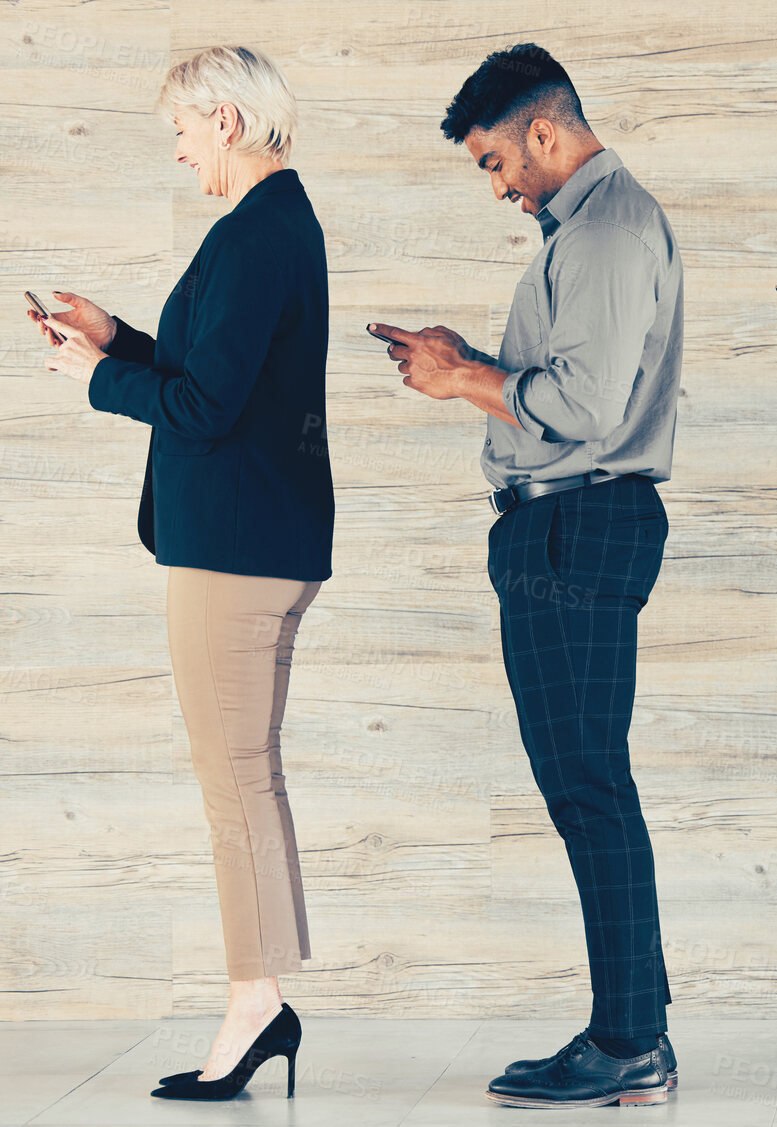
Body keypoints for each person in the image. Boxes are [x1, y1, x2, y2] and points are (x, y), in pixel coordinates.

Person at [373, 42, 681, 1109]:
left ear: (543, 131)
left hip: (576, 526)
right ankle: (635, 1024)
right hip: (569, 528)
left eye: (497, 162)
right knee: (590, 782)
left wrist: (458, 376)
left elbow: (586, 412)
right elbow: (565, 381)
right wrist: (470, 361)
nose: (500, 186)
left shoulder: (602, 228)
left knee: (588, 786)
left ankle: (628, 1036)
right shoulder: (592, 227)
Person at [28, 45, 330, 1102]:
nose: (179, 149)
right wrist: (116, 335)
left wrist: (95, 376)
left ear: (228, 124)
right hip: (256, 542)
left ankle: (254, 1001)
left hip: (235, 550)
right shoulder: (274, 226)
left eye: (183, 130)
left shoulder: (255, 235)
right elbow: (214, 380)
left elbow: (203, 412)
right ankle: (266, 993)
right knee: (251, 773)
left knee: (233, 780)